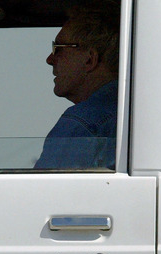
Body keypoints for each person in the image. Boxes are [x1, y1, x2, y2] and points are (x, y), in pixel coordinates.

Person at [34, 1, 120, 170]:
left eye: (58, 49)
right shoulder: (134, 112)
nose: (49, 60)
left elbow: (41, 193)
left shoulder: (83, 123)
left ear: (90, 59)